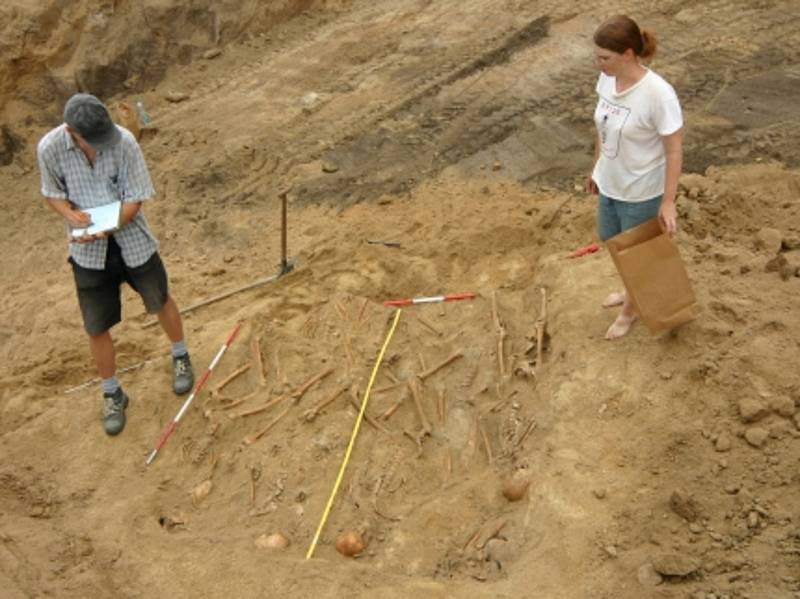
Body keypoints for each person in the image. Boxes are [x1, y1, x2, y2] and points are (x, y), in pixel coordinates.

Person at [37, 93, 195, 435]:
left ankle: (181, 354)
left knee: (160, 298)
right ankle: (112, 392)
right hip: (87, 253)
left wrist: (103, 227)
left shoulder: (124, 143)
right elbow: (52, 192)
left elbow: (135, 199)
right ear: (71, 131)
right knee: (96, 325)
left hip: (132, 239)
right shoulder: (49, 148)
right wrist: (69, 215)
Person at [586, 15, 684, 340]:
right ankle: (630, 291)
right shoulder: (608, 80)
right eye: (597, 56)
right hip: (611, 183)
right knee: (613, 241)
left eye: (605, 58)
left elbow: (674, 150)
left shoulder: (658, 95)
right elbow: (603, 126)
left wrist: (668, 202)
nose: (599, 64)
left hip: (641, 191)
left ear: (628, 54)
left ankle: (630, 310)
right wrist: (597, 168)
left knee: (638, 254)